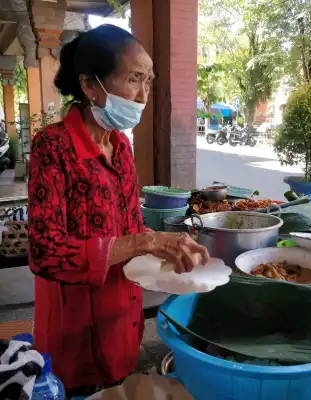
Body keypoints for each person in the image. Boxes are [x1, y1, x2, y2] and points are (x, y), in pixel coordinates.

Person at [28, 24, 209, 397]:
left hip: (121, 315)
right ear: (91, 86)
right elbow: (45, 253)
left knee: (122, 386)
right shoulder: (53, 147)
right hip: (73, 326)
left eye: (149, 80)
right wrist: (144, 242)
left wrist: (166, 249)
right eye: (134, 79)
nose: (143, 95)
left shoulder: (121, 147)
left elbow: (131, 227)